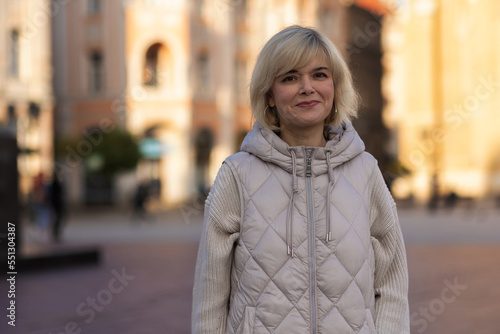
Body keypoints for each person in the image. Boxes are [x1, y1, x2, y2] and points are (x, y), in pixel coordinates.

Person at [192, 26, 409, 333]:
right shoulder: (236, 174)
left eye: (320, 75)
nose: (307, 87)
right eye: (290, 78)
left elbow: (392, 286)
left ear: (335, 86)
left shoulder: (366, 170)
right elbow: (210, 298)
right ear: (269, 94)